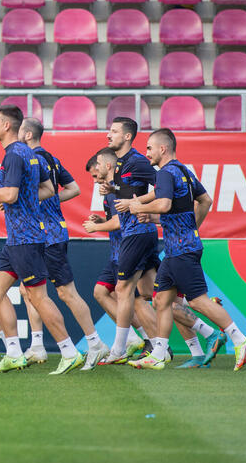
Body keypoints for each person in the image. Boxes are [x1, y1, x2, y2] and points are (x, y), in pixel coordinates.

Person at [0, 105, 86, 375]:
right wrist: (24, 198)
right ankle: (14, 353)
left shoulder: (13, 155)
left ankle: (69, 352)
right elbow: (47, 189)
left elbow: (8, 195)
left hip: (26, 238)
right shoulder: (29, 154)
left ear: (8, 126)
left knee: (39, 297)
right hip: (18, 237)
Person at [127, 128, 246, 371]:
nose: (147, 153)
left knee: (197, 302)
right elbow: (204, 201)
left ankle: (240, 339)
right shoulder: (184, 171)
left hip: (181, 250)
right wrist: (186, 226)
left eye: (149, 148)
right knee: (161, 300)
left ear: (162, 149)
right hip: (179, 248)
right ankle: (159, 354)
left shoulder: (164, 173)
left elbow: (164, 204)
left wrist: (136, 207)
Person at [93, 148, 226, 368]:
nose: (96, 171)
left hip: (149, 239)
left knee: (130, 292)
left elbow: (166, 196)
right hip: (151, 238)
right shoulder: (120, 181)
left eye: (97, 165)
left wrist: (140, 207)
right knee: (156, 298)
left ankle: (132, 347)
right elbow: (200, 200)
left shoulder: (146, 166)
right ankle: (192, 346)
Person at [17, 117, 110, 370]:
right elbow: (74, 189)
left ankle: (95, 343)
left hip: (47, 235)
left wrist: (30, 201)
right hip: (46, 233)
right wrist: (48, 200)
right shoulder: (52, 158)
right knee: (27, 290)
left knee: (65, 292)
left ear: (27, 135)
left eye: (18, 132)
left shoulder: (32, 159)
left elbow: (40, 192)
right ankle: (37, 346)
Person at [97, 117, 163, 365]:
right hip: (133, 234)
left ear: (127, 136)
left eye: (113, 131)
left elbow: (162, 185)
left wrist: (139, 204)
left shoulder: (136, 161)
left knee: (124, 290)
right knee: (152, 295)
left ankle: (119, 349)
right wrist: (113, 190)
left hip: (137, 233)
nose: (108, 134)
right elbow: (129, 192)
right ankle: (197, 331)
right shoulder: (121, 163)